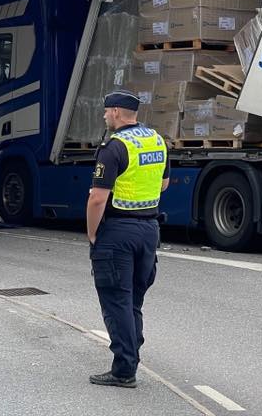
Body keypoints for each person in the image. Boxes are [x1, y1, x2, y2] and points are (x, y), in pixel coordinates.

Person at [86, 90, 169, 388]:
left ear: (118, 113)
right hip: (149, 231)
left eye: (107, 111)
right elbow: (164, 182)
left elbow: (97, 198)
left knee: (116, 300)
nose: (105, 116)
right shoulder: (156, 140)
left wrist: (93, 232)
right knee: (133, 300)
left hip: (117, 232)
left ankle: (124, 369)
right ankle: (131, 354)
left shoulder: (114, 147)